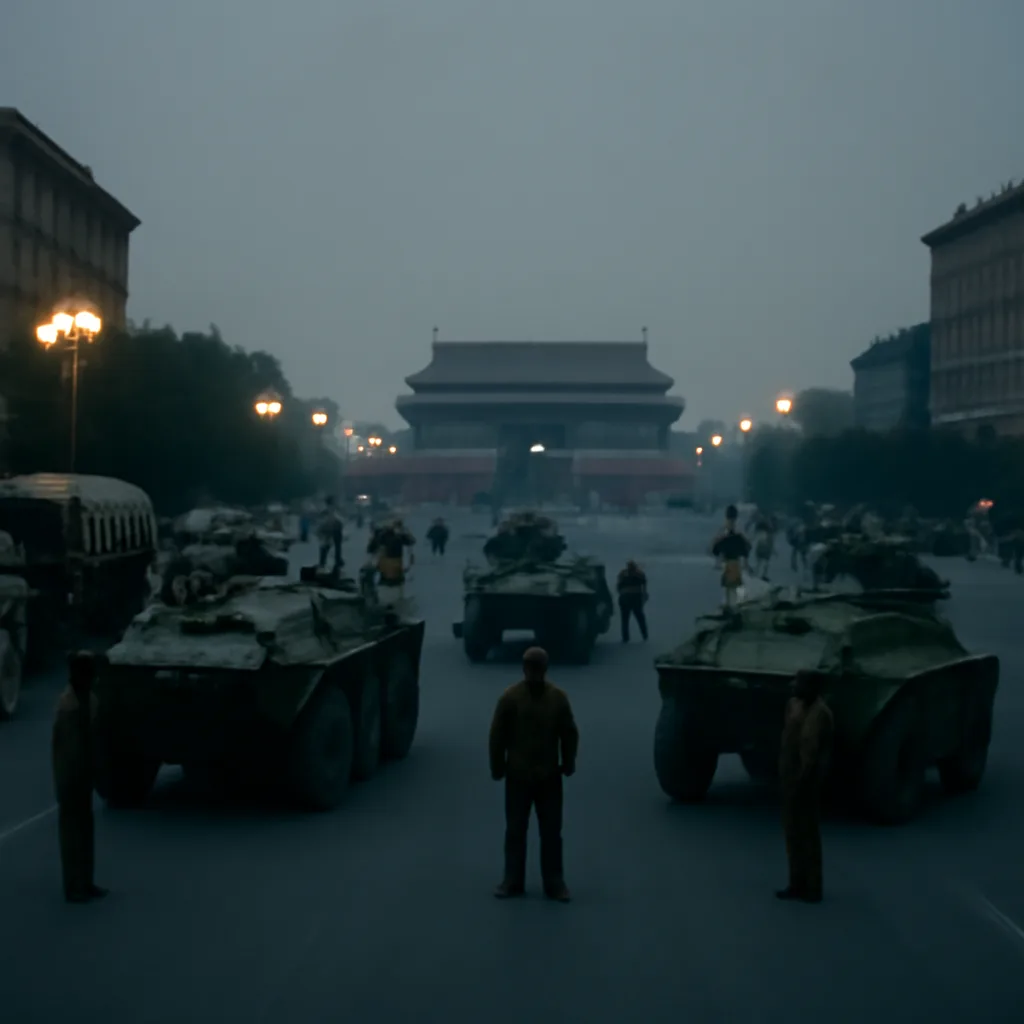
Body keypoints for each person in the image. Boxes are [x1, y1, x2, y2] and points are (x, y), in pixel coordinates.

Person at [489, 647, 578, 903]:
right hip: (518, 775)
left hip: (549, 776)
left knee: (551, 832)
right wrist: (497, 767)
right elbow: (497, 735)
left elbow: (569, 732)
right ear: (523, 668)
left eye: (538, 667)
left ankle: (555, 882)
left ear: (545, 669)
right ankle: (512, 880)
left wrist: (568, 761)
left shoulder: (557, 699)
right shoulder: (510, 698)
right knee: (516, 830)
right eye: (530, 666)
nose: (534, 672)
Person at [52, 651, 108, 903]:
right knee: (72, 834)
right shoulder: (68, 705)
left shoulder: (89, 699)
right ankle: (73, 885)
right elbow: (65, 750)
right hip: (70, 776)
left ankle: (86, 881)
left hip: (85, 773)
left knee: (85, 830)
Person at [776, 668, 834, 904]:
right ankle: (796, 882)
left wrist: (808, 778)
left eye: (799, 684)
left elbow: (821, 752)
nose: (794, 687)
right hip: (790, 776)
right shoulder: (793, 705)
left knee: (809, 835)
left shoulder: (823, 714)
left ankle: (813, 886)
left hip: (809, 780)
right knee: (792, 833)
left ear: (812, 688)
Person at [712, 505, 751, 609]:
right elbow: (746, 547)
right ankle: (735, 606)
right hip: (735, 562)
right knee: (736, 587)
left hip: (728, 562)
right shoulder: (739, 532)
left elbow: (715, 548)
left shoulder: (723, 532)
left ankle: (731, 607)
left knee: (729, 588)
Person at [616, 560, 648, 642]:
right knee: (640, 617)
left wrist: (621, 595)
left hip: (625, 598)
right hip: (636, 598)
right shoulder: (640, 574)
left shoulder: (622, 574)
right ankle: (645, 635)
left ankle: (625, 638)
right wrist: (644, 596)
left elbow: (618, 586)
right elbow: (644, 586)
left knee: (625, 619)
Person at [316, 497, 343, 573]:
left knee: (326, 546)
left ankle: (324, 562)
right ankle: (335, 561)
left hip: (331, 529)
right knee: (330, 546)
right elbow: (330, 520)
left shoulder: (327, 510)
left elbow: (322, 521)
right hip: (332, 529)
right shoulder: (331, 510)